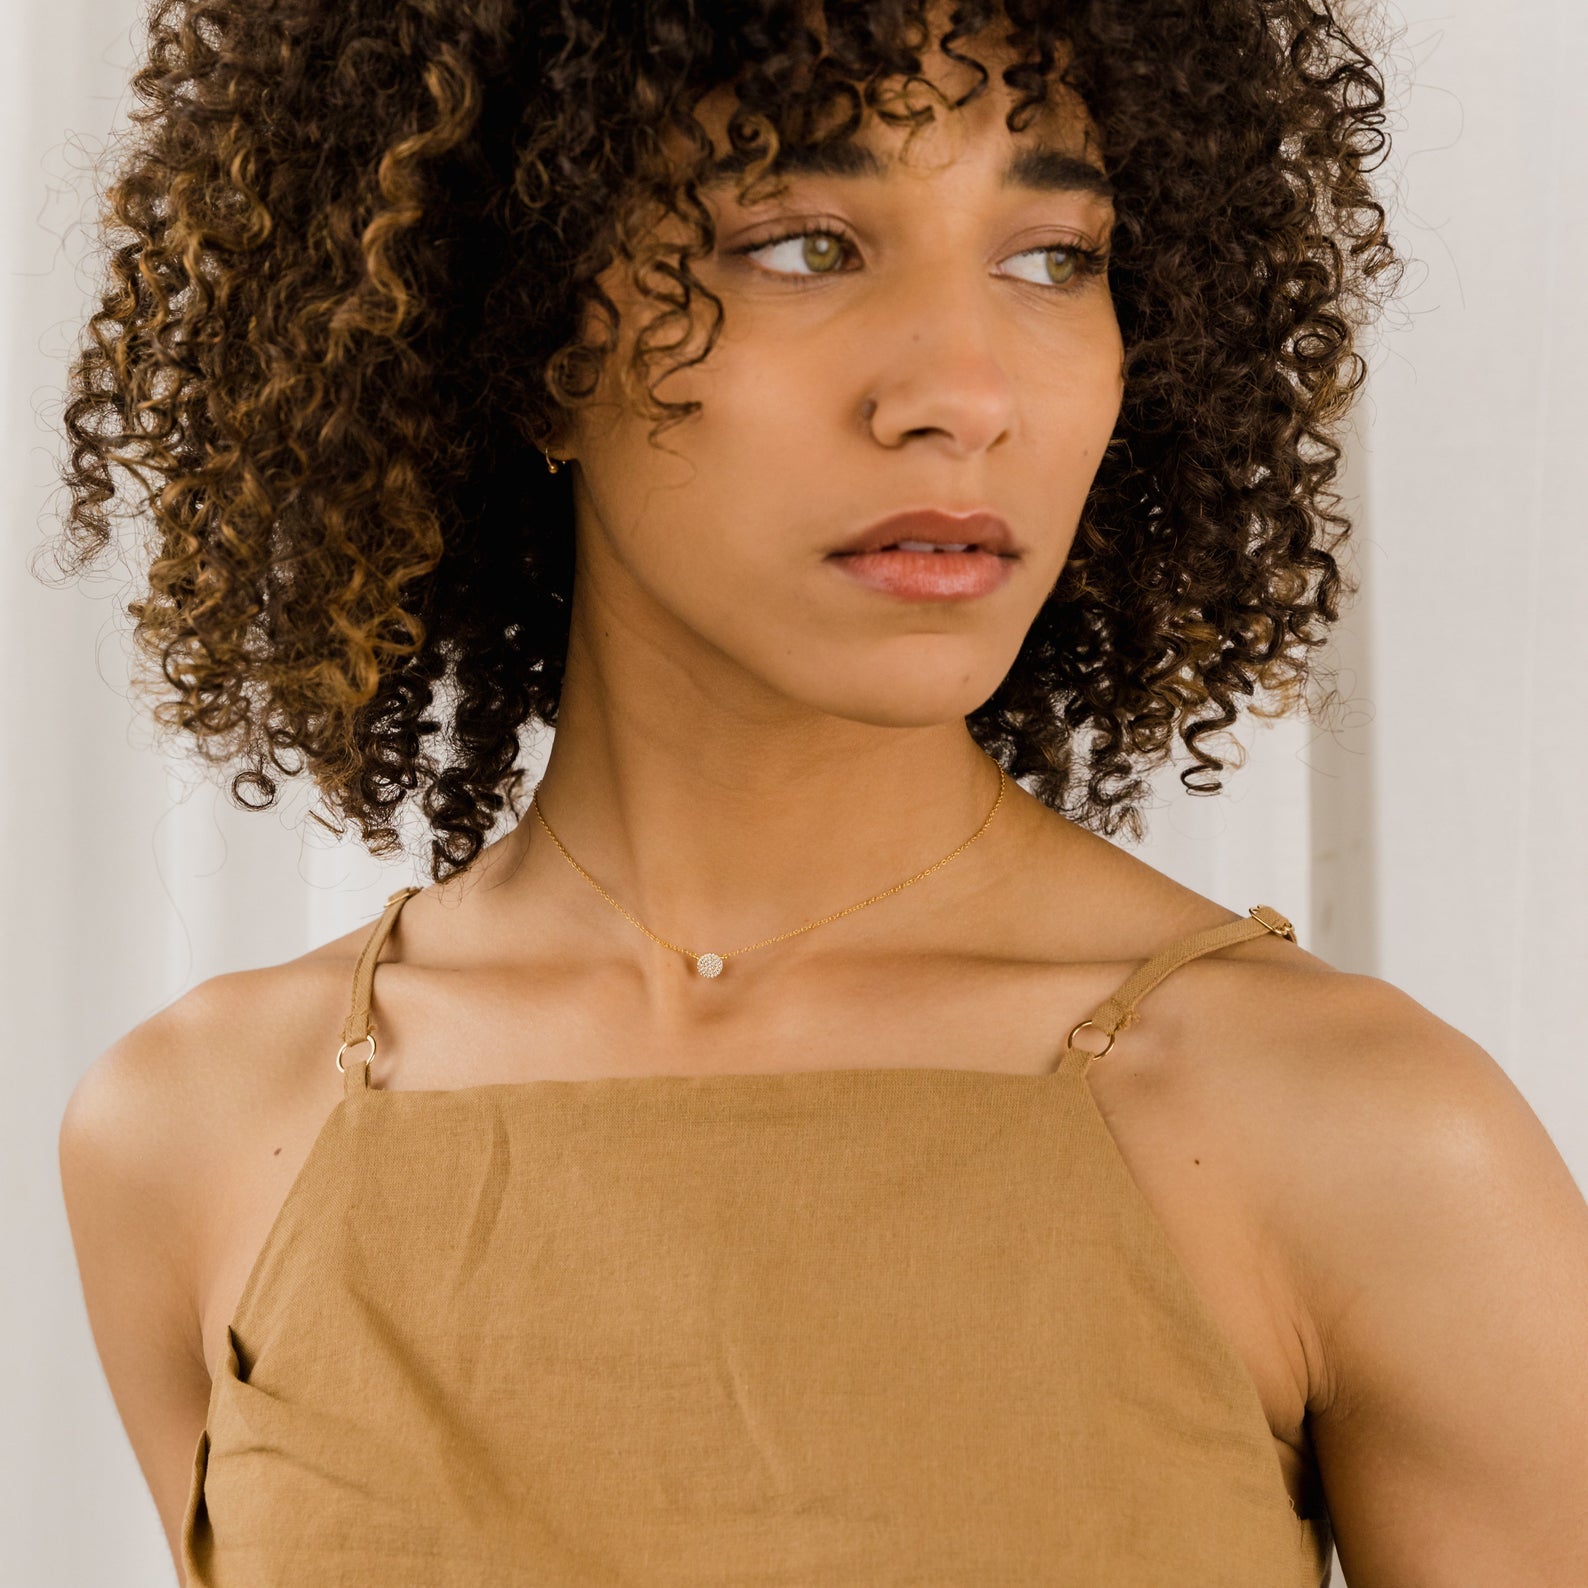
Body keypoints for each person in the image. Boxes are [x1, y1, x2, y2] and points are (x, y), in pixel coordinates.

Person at [50, 1, 1588, 1583]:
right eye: (803, 244)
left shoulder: (1363, 1137)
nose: (963, 393)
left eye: (1056, 255)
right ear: (521, 334)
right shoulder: (200, 1132)